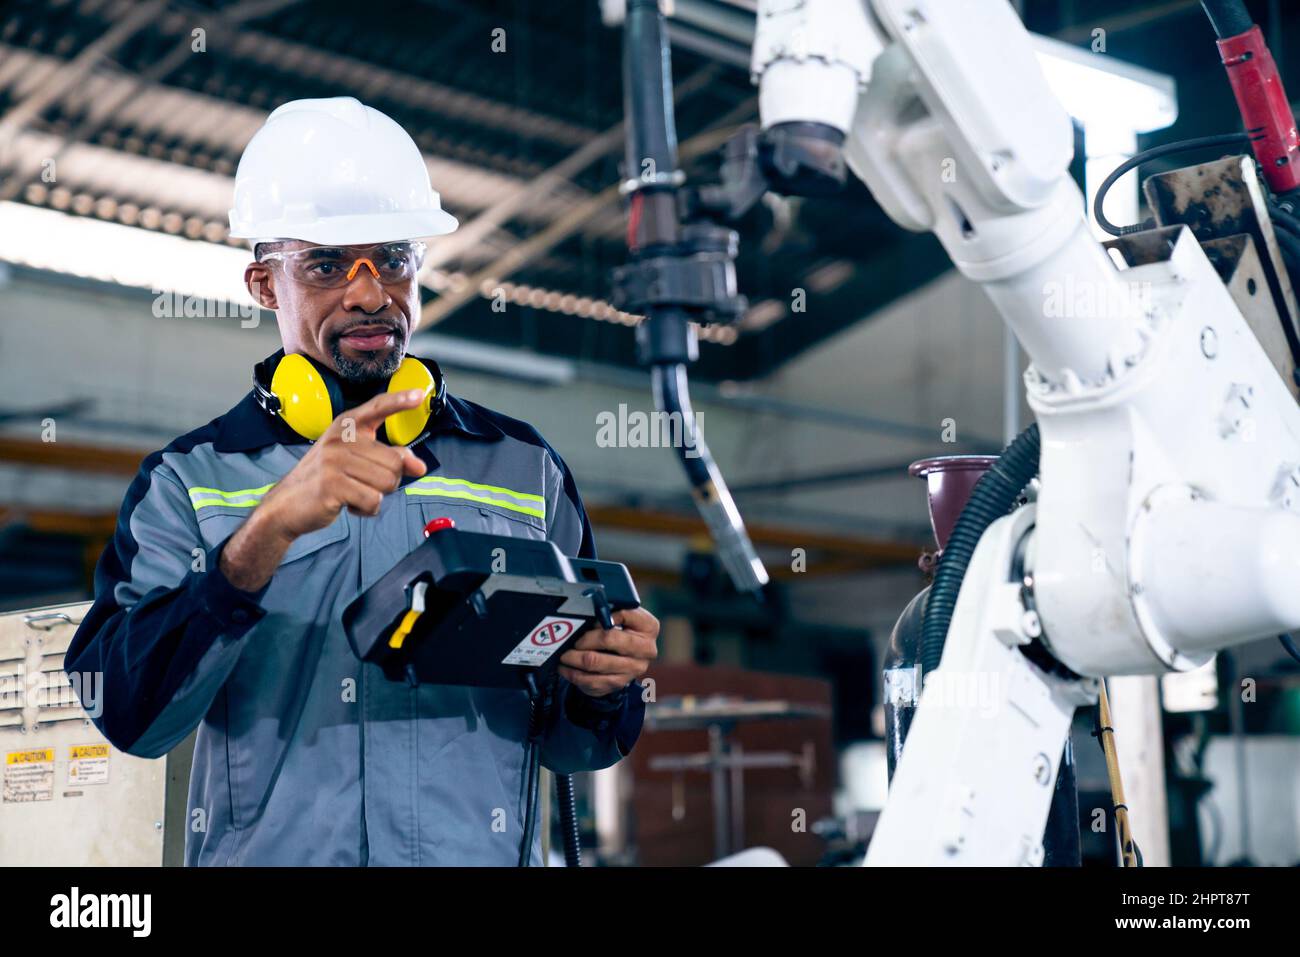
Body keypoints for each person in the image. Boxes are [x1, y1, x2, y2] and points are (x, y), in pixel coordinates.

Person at [65, 97, 658, 866]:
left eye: (394, 259)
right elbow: (131, 719)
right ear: (263, 284)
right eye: (326, 264)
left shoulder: (523, 468)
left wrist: (602, 688)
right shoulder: (189, 483)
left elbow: (573, 747)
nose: (371, 293)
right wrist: (262, 534)